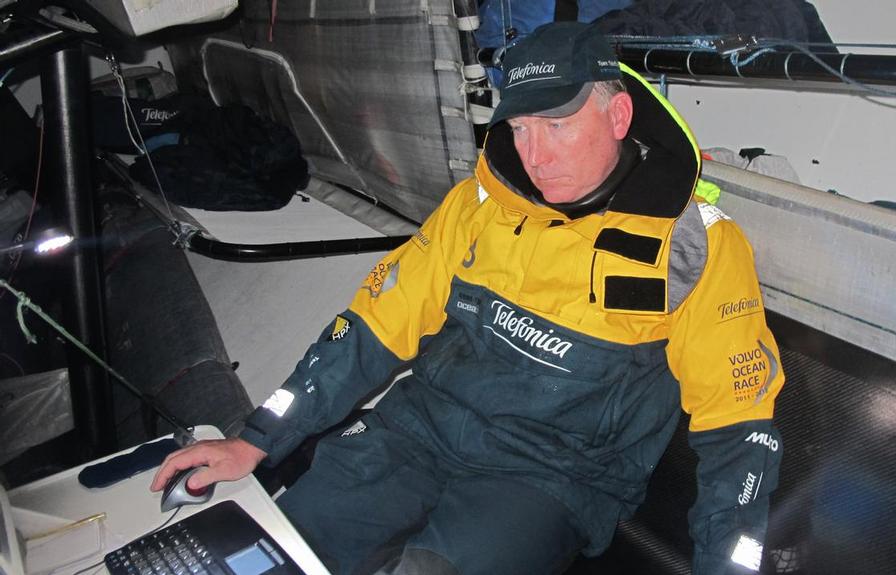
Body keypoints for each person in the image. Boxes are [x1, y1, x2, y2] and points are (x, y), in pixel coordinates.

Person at [152, 21, 785, 575]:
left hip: (546, 480)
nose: (534, 156)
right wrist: (258, 438)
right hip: (414, 432)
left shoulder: (696, 246)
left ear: (618, 117)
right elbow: (373, 326)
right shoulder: (476, 205)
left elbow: (739, 433)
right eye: (519, 127)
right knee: (282, 545)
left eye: (558, 125)